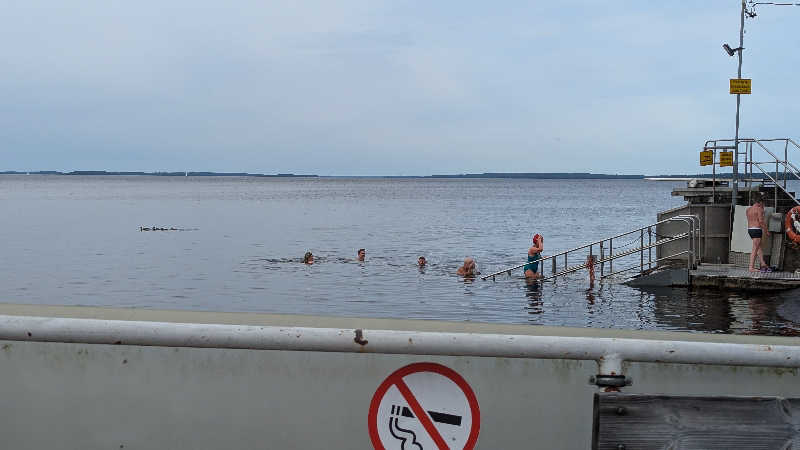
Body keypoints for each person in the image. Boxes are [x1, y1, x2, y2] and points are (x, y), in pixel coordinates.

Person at [746, 193, 770, 273]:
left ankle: (763, 264)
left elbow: (750, 220)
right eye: (762, 203)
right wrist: (766, 230)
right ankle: (751, 267)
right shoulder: (759, 209)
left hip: (750, 229)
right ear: (760, 202)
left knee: (758, 247)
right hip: (757, 229)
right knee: (755, 249)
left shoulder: (748, 209)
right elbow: (761, 221)